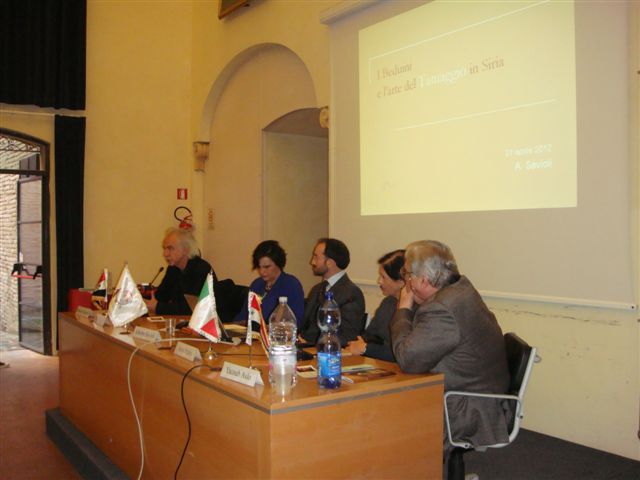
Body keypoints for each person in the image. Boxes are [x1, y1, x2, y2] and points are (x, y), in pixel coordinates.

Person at [390, 240, 512, 456]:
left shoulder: (441, 309)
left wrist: (403, 309)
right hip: (482, 393)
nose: (406, 280)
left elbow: (407, 360)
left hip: (469, 406)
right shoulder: (461, 288)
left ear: (424, 280)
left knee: (389, 420)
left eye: (408, 274)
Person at [299, 238, 365, 346]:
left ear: (329, 263)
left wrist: (310, 343)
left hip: (325, 350)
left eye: (316, 257)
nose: (312, 262)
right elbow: (305, 325)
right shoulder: (317, 289)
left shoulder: (351, 293)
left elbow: (347, 336)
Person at [347, 249, 404, 362]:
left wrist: (366, 348)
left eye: (383, 277)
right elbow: (370, 335)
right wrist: (359, 343)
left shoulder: (419, 311)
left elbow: (403, 354)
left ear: (401, 281)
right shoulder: (388, 302)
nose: (379, 282)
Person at [144, 227, 216, 315]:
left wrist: (158, 307)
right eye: (164, 248)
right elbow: (161, 296)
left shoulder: (201, 270)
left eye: (170, 248)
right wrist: (139, 299)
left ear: (185, 249)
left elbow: (191, 309)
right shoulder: (173, 269)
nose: (165, 254)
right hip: (182, 321)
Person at [237, 240, 305, 326]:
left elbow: (295, 321)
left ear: (278, 264)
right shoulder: (257, 284)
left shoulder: (291, 285)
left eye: (267, 267)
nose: (262, 271)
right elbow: (243, 316)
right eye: (259, 267)